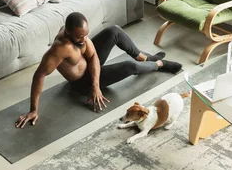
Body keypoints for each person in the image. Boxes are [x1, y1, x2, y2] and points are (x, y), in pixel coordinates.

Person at [15, 12, 182, 128]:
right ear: (67, 32)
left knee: (113, 30)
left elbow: (93, 56)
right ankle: (160, 64)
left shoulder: (82, 38)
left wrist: (97, 85)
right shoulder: (60, 49)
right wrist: (33, 110)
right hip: (82, 83)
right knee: (128, 66)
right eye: (80, 37)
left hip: (92, 73)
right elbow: (39, 75)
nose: (84, 39)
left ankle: (144, 57)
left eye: (86, 35)